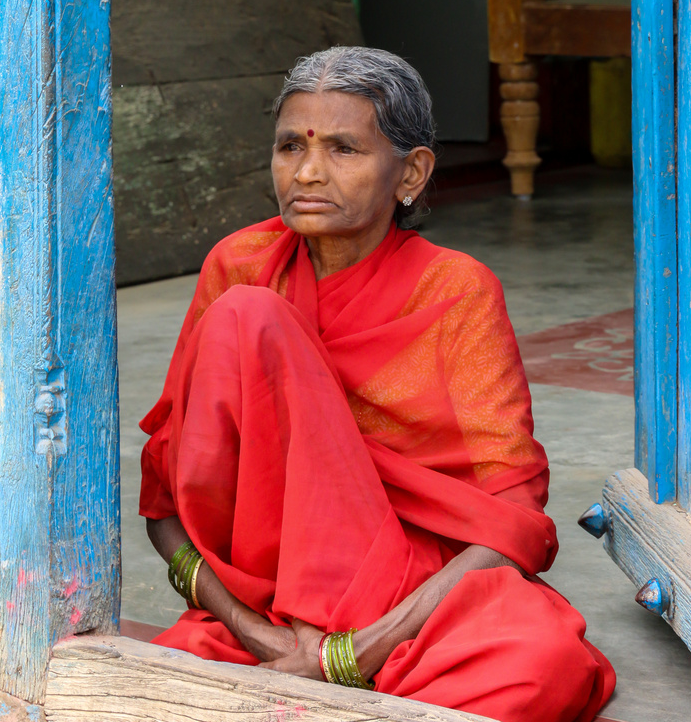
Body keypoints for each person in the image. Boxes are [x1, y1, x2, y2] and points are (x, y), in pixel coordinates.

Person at [139, 46, 615, 722]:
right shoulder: (240, 266)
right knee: (247, 316)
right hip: (265, 595)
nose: (307, 172)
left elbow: (511, 520)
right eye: (289, 147)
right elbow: (166, 502)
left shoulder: (455, 291)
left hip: (404, 591)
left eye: (343, 149)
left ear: (411, 173)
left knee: (542, 661)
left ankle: (323, 687)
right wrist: (264, 635)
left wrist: (350, 654)